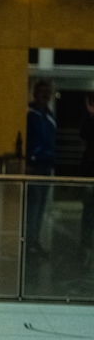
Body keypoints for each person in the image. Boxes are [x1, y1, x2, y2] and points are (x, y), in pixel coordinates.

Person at [26, 79, 57, 254]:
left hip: (47, 165)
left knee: (41, 206)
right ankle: (28, 242)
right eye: (42, 92)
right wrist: (30, 160)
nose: (45, 96)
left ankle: (35, 240)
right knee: (33, 205)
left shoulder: (50, 116)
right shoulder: (30, 114)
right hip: (34, 165)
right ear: (35, 93)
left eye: (48, 93)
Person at [80, 94, 94, 262]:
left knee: (89, 211)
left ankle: (87, 244)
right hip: (90, 172)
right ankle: (86, 244)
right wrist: (90, 115)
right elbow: (84, 134)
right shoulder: (89, 121)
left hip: (89, 171)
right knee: (88, 211)